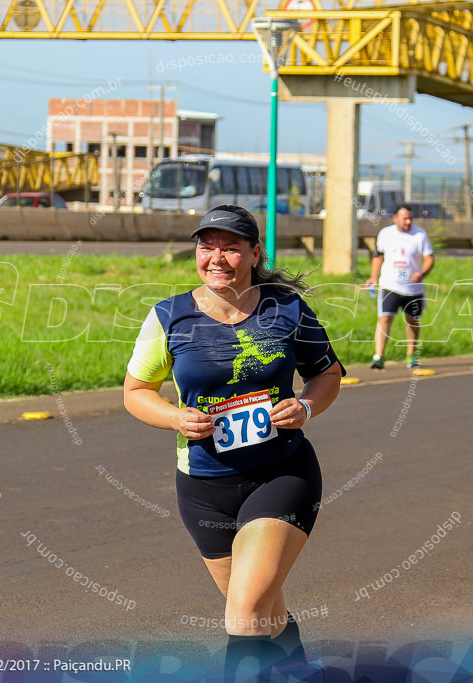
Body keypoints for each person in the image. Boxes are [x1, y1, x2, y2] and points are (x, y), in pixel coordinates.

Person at [123, 204, 344, 680]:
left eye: (231, 247)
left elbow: (327, 374)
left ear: (254, 253)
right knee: (264, 610)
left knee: (244, 615)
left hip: (280, 474)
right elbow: (136, 393)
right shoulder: (169, 317)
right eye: (207, 246)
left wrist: (305, 407)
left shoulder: (286, 308)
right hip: (204, 488)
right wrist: (174, 418)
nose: (216, 257)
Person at [364, 204, 435, 369]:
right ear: (395, 218)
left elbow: (430, 259)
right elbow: (378, 256)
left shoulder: (420, 234)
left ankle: (411, 355)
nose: (408, 221)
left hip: (413, 288)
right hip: (390, 285)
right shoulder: (385, 234)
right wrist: (373, 277)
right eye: (405, 218)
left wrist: (422, 273)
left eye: (410, 218)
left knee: (412, 320)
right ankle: (379, 356)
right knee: (385, 318)